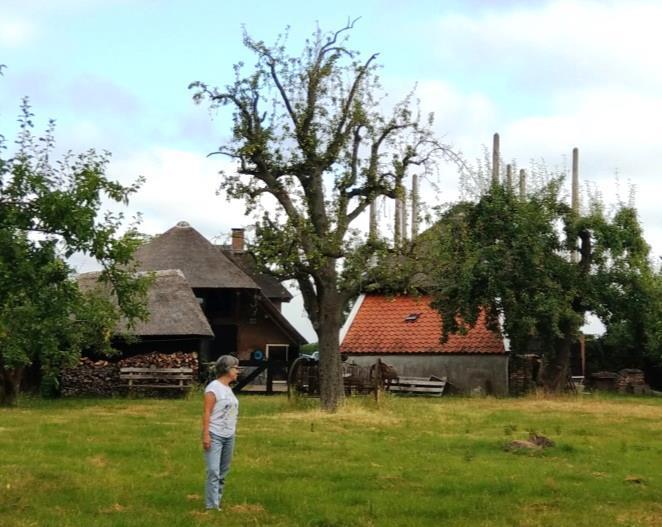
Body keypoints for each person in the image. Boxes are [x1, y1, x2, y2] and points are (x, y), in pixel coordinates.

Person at [202, 355, 240, 511]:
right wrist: (206, 435)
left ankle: (217, 501)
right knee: (213, 470)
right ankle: (211, 506)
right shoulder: (213, 388)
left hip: (229, 436)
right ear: (227, 369)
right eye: (235, 368)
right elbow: (206, 412)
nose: (237, 371)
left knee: (223, 472)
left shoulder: (228, 389)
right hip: (215, 434)